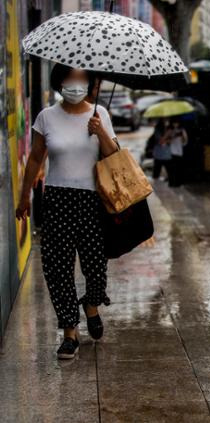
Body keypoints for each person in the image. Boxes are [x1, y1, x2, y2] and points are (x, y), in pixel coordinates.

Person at [15, 64, 119, 360]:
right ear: (59, 81)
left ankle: (92, 305)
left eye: (81, 78)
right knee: (57, 269)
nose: (75, 83)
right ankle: (70, 331)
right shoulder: (46, 116)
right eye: (69, 78)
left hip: (91, 201)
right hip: (57, 199)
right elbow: (35, 159)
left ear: (89, 82)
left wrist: (100, 132)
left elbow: (114, 155)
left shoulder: (100, 115)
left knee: (96, 267)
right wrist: (24, 197)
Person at [166, 118, 188, 187]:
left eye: (177, 123)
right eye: (174, 123)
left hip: (179, 152)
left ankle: (178, 183)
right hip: (171, 152)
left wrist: (182, 137)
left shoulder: (182, 130)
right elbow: (167, 141)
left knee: (179, 168)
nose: (175, 124)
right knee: (172, 169)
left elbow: (185, 141)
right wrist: (174, 136)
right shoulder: (170, 130)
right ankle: (172, 183)